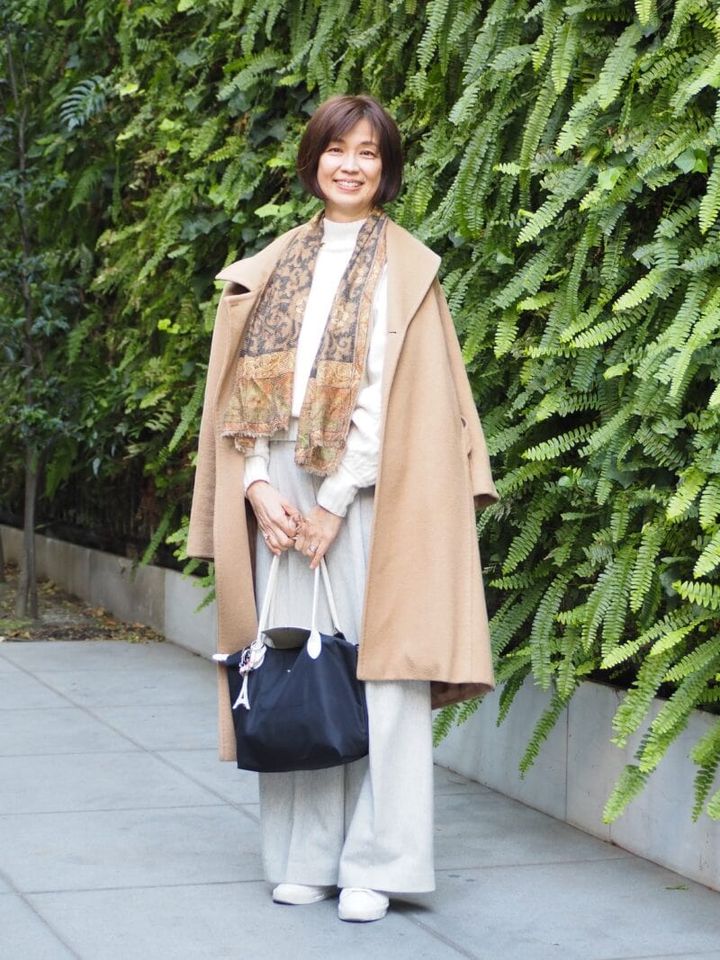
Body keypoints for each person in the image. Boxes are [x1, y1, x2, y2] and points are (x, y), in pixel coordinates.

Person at [187, 94, 498, 923]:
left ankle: (378, 863)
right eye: (337, 148)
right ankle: (305, 858)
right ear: (314, 159)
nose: (350, 164)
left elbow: (395, 400)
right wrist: (256, 484)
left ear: (385, 170)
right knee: (297, 663)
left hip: (375, 490)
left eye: (368, 152)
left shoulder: (406, 268)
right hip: (279, 490)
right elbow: (242, 394)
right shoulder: (274, 263)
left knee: (383, 672)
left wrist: (332, 499)